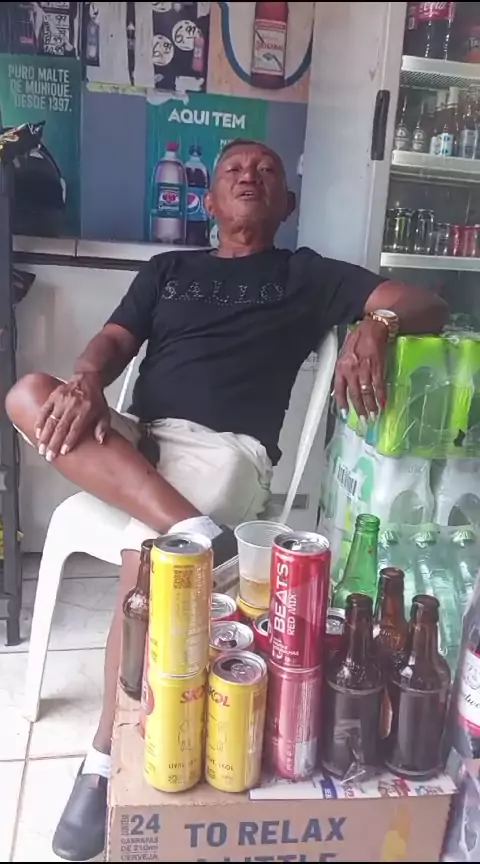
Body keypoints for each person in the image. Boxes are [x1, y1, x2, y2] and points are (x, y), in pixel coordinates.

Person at [5, 139, 448, 861]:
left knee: (149, 562)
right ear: (208, 201)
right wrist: (86, 380)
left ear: (287, 205)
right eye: (234, 170)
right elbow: (114, 338)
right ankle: (197, 530)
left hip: (226, 451)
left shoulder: (306, 274)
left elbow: (427, 301)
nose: (249, 176)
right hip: (139, 436)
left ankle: (101, 757)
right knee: (29, 393)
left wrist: (378, 323)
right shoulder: (167, 269)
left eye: (266, 171)